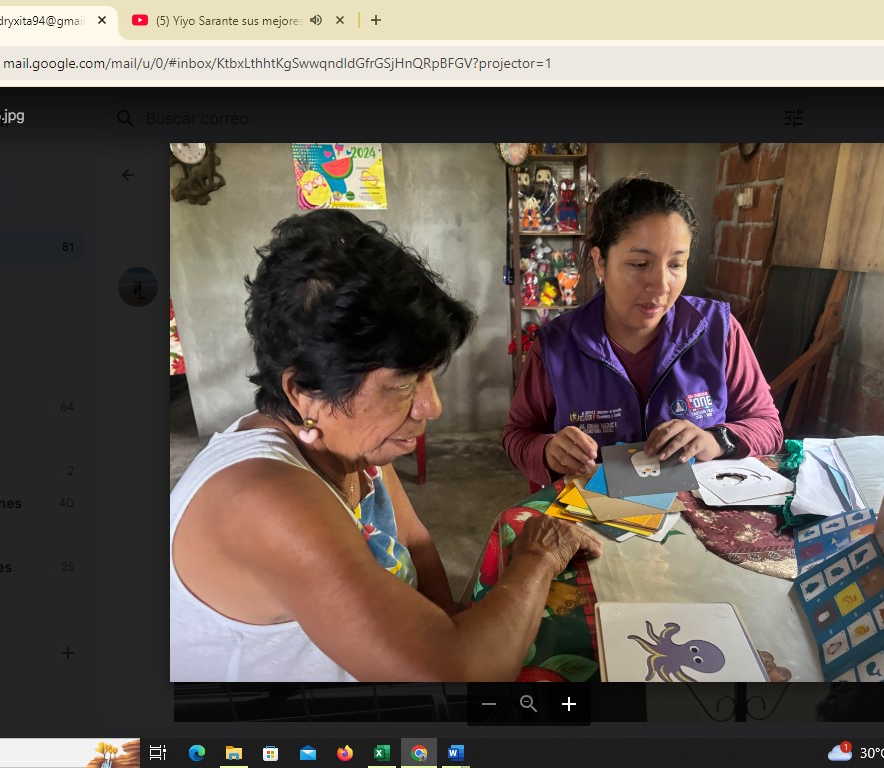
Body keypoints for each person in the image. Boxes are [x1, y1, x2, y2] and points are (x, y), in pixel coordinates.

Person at [170, 210, 601, 682]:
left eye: (428, 376)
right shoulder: (265, 500)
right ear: (305, 391)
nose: (432, 406)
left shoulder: (348, 447)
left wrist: (452, 625)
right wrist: (538, 558)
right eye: (403, 384)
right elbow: (458, 677)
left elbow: (414, 542)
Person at [504, 175, 784, 488]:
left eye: (676, 264)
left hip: (692, 512)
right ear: (600, 263)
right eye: (639, 264)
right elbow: (517, 435)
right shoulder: (556, 347)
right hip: (592, 515)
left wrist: (715, 440)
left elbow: (768, 425)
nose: (662, 285)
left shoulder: (718, 330)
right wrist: (547, 450)